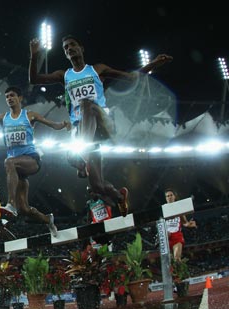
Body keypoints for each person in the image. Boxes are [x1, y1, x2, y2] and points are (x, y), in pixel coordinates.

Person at [29, 35, 173, 216]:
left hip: (102, 122)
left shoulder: (97, 69)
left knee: (86, 103)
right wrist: (34, 56)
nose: (69, 49)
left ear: (81, 48)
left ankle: (79, 155)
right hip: (83, 129)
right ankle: (120, 197)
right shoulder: (64, 75)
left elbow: (130, 78)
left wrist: (152, 64)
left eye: (72, 45)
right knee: (97, 185)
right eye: (65, 48)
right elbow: (34, 79)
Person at [0, 86, 70, 236]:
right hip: (18, 170)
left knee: (9, 162)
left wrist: (64, 124)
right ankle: (48, 220)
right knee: (25, 209)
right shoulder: (3, 117)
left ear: (20, 98)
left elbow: (53, 125)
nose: (9, 98)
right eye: (7, 96)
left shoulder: (29, 115)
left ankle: (11, 204)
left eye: (12, 95)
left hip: (31, 160)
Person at [164, 189, 196, 261]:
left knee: (177, 259)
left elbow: (184, 222)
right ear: (166, 198)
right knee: (168, 261)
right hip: (166, 237)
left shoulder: (179, 208)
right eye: (167, 196)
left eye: (171, 195)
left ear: (174, 196)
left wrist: (190, 224)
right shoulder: (163, 209)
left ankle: (179, 270)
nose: (169, 197)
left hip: (176, 236)